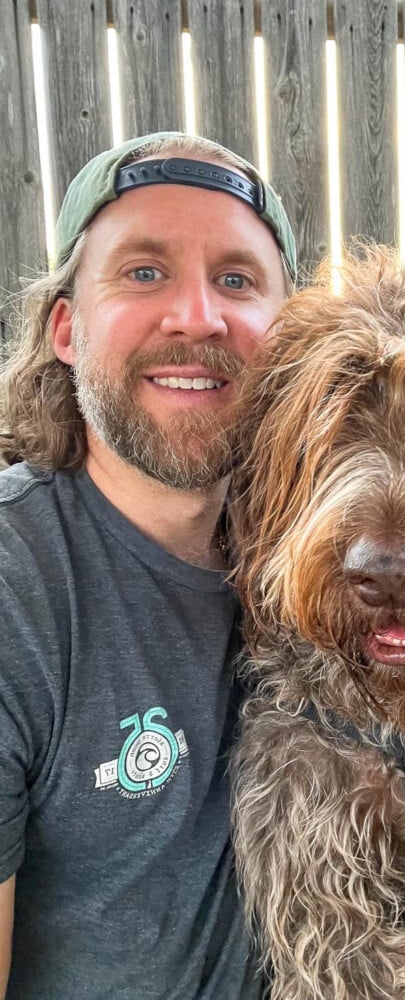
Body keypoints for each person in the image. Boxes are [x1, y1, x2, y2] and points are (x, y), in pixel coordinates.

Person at [0, 131, 296, 999]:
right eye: (143, 272)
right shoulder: (20, 590)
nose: (197, 316)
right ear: (64, 328)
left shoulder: (321, 553)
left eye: (238, 280)